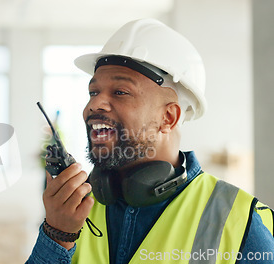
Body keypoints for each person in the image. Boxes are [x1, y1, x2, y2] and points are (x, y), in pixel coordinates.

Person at [26, 18, 274, 264]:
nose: (93, 105)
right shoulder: (74, 208)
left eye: (120, 92)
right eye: (93, 92)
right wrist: (57, 237)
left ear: (168, 116)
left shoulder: (240, 224)